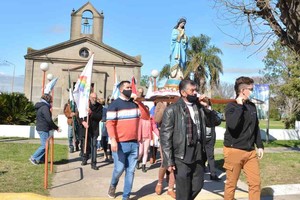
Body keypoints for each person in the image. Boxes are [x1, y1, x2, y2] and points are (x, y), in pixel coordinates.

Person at [160, 79, 220, 200]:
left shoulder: (200, 108)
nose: (195, 93)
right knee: (183, 188)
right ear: (183, 92)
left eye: (196, 90)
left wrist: (207, 106)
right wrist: (168, 160)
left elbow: (215, 122)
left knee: (198, 184)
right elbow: (165, 137)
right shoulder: (172, 110)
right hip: (181, 154)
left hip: (198, 152)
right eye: (192, 90)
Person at [223, 76, 264, 200]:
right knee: (231, 185)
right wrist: (240, 106)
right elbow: (232, 125)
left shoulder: (252, 106)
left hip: (250, 152)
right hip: (234, 150)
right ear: (242, 91)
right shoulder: (231, 106)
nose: (252, 92)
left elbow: (255, 127)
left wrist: (260, 145)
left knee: (255, 184)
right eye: (250, 89)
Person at [106, 80, 147, 200]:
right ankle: (113, 185)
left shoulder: (134, 103)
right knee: (119, 169)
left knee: (131, 171)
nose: (130, 89)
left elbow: (146, 116)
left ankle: (126, 196)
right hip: (119, 143)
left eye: (131, 87)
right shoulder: (114, 105)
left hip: (134, 143)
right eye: (127, 87)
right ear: (121, 89)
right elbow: (110, 124)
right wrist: (113, 140)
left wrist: (138, 102)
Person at [29, 94, 60, 165]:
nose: (52, 102)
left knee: (46, 145)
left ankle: (42, 159)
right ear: (48, 100)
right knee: (44, 145)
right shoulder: (45, 107)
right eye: (51, 100)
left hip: (42, 128)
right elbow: (49, 120)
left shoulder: (42, 106)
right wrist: (56, 127)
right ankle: (33, 157)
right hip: (43, 129)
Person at [154, 102, 176, 199]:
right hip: (164, 137)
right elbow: (157, 119)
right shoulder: (160, 104)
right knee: (165, 162)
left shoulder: (177, 103)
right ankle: (159, 182)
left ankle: (170, 188)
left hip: (176, 137)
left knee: (175, 164)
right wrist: (164, 106)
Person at [79, 92, 102, 170]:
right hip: (85, 129)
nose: (94, 99)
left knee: (94, 145)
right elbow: (78, 115)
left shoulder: (99, 106)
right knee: (85, 145)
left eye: (95, 97)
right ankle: (84, 158)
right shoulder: (84, 104)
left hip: (94, 129)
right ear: (90, 98)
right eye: (93, 98)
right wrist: (82, 122)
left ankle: (94, 162)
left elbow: (99, 116)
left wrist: (92, 113)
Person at [203, 100, 222, 181]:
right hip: (201, 138)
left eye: (206, 104)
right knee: (200, 155)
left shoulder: (212, 112)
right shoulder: (199, 111)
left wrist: (210, 111)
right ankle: (200, 171)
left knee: (210, 156)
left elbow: (218, 121)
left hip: (210, 138)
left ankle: (213, 174)